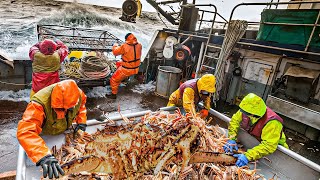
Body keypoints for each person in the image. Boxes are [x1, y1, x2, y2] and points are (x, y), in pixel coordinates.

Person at [17, 80, 87, 179]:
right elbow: (25, 131)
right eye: (64, 109)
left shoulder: (78, 94)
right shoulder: (38, 104)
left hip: (63, 129)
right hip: (45, 135)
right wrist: (43, 156)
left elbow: (81, 106)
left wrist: (81, 122)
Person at [223, 93, 288, 167]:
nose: (243, 114)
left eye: (246, 113)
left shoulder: (273, 122)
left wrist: (248, 156)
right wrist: (232, 138)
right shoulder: (246, 110)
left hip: (276, 151)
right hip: (257, 144)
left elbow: (269, 146)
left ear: (254, 114)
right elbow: (235, 121)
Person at [107, 33, 142, 99]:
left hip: (126, 70)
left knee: (113, 80)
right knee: (118, 63)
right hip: (136, 68)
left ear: (126, 39)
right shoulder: (139, 45)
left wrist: (115, 45)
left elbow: (115, 52)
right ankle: (123, 79)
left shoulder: (124, 46)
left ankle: (113, 95)